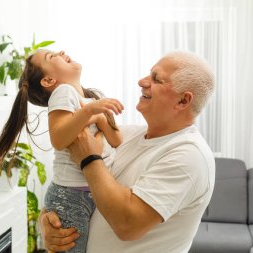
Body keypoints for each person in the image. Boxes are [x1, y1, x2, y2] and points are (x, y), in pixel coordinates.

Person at [39, 51, 216, 253]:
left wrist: (89, 158)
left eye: (156, 79)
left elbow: (127, 225)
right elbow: (76, 188)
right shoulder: (127, 136)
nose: (142, 81)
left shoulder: (189, 156)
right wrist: (47, 223)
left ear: (183, 101)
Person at [0, 50, 124, 253]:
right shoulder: (64, 92)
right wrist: (89, 111)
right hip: (71, 196)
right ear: (49, 80)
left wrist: (99, 117)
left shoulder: (91, 99)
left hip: (90, 192)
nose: (61, 52)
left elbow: (117, 139)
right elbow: (58, 139)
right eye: (51, 57)